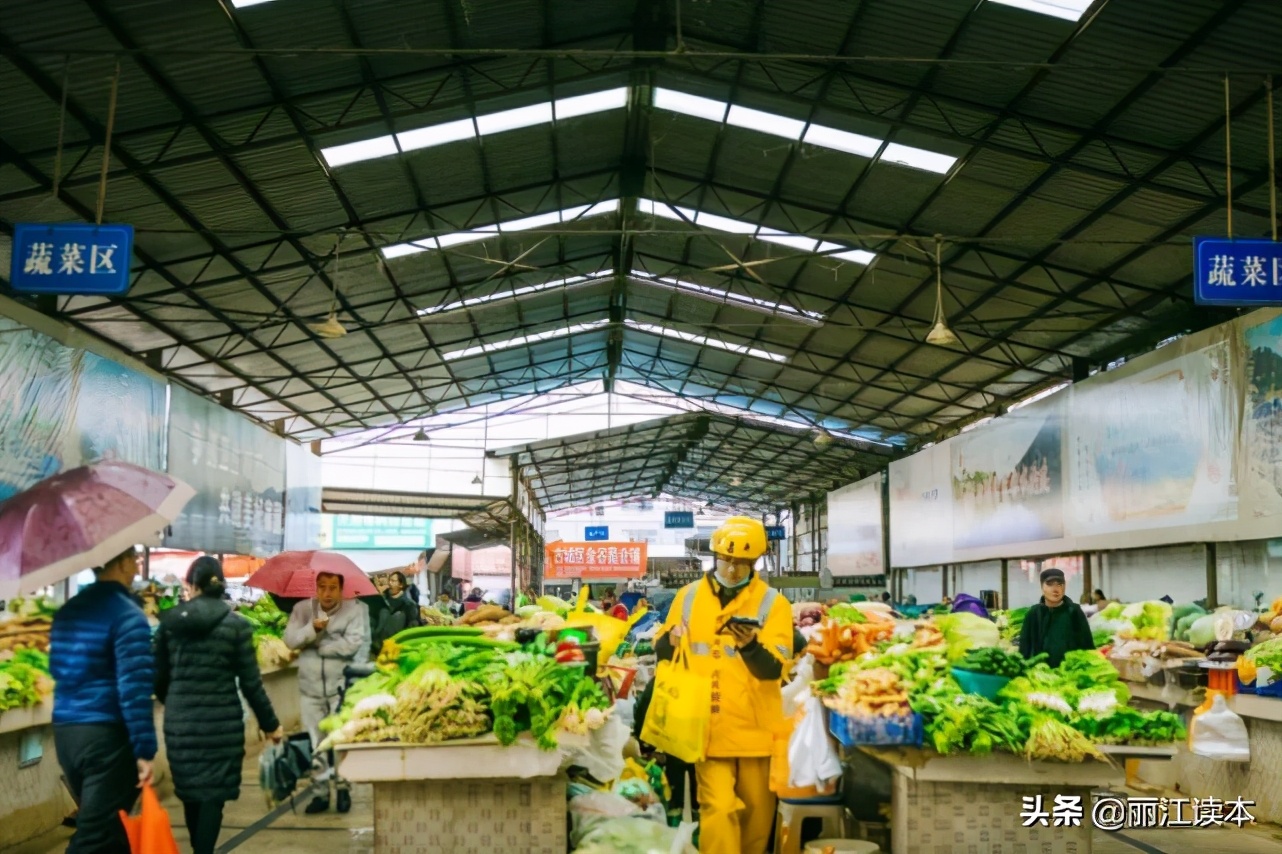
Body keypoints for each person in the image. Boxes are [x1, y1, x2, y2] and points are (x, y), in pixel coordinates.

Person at [653, 517, 793, 854]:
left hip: (756, 731)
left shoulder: (774, 604)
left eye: (741, 563)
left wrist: (749, 647)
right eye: (726, 561)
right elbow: (661, 648)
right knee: (719, 809)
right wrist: (672, 640)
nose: (731, 570)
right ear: (715, 556)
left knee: (758, 819)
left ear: (755, 563)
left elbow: (773, 670)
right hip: (708, 729)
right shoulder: (687, 597)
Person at [154, 558, 282, 854]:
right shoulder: (236, 627)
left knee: (189, 793)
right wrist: (271, 725)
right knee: (213, 796)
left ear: (191, 585)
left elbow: (157, 679)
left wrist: (175, 703)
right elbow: (251, 685)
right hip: (222, 727)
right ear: (220, 584)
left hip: (180, 725)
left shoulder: (169, 624)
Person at [48, 548, 157, 854]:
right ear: (121, 563)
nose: (136, 568)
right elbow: (133, 687)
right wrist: (145, 749)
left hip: (68, 734)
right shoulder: (127, 615)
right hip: (107, 736)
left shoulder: (68, 610)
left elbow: (57, 668)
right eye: (134, 560)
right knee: (96, 836)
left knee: (112, 829)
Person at [284, 572, 370, 815]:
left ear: (341, 589)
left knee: (340, 739)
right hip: (309, 688)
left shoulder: (353, 610)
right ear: (316, 588)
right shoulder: (302, 610)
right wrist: (311, 629)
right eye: (322, 587)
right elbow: (290, 640)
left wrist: (320, 645)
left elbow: (353, 643)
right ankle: (320, 792)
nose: (328, 593)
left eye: (333, 587)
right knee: (316, 744)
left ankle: (343, 788)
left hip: (339, 687)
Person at [1019, 567, 1095, 667]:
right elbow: (1024, 649)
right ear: (1042, 587)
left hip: (1069, 673)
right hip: (1040, 675)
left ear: (1064, 587)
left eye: (1059, 584)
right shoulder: (1033, 614)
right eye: (1050, 584)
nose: (1055, 589)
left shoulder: (1074, 611)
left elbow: (1087, 646)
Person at [372, 570, 420, 652]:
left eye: (393, 581)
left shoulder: (409, 605)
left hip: (397, 646)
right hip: (378, 646)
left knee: (398, 615)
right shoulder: (383, 599)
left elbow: (413, 626)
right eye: (389, 580)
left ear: (401, 584)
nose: (390, 583)